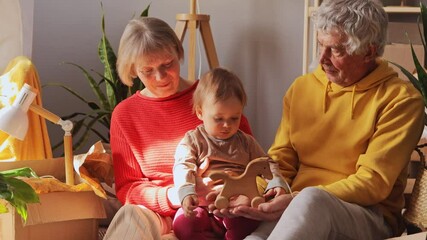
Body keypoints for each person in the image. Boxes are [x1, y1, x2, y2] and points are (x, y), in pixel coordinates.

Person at [207, 0, 425, 239]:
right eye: (320, 45)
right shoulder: (302, 88)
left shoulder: (401, 100)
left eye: (336, 49)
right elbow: (280, 161)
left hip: (370, 215)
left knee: (312, 199)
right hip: (297, 204)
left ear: (369, 51)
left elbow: (373, 183)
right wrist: (257, 191)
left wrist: (298, 198)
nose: (322, 59)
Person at [103, 17, 255, 240]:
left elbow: (250, 160)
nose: (161, 77)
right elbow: (128, 188)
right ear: (133, 70)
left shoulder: (214, 99)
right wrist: (177, 195)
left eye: (167, 64)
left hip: (218, 209)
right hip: (158, 210)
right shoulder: (125, 114)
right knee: (131, 217)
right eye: (148, 70)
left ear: (178, 53)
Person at [172, 67, 289, 240]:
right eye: (219, 119)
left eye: (234, 118)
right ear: (200, 112)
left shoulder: (246, 142)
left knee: (248, 219)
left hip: (237, 205)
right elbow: (182, 165)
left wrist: (276, 184)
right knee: (184, 224)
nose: (227, 125)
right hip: (203, 205)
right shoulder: (193, 140)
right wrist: (187, 192)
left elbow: (266, 163)